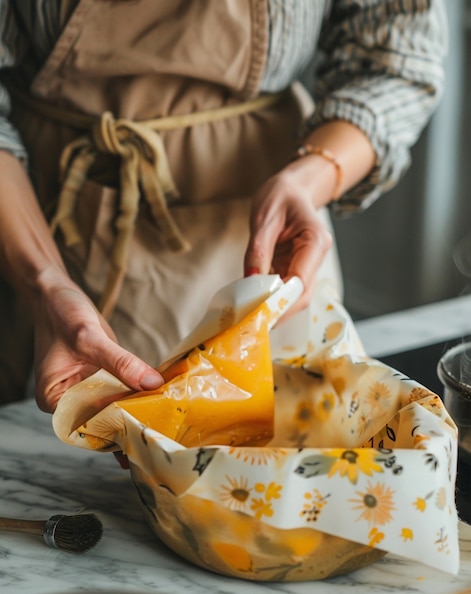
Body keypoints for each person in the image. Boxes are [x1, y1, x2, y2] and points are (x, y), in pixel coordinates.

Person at [0, 0, 447, 413]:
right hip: (32, 224)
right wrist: (44, 282)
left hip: (269, 239)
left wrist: (309, 179)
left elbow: (394, 57)